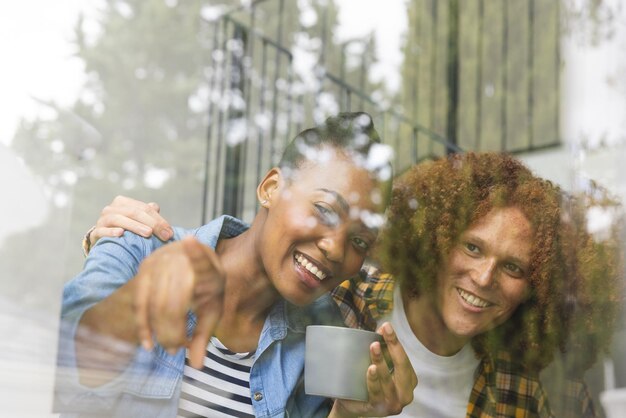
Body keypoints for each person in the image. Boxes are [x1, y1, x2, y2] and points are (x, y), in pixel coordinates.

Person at [89, 152, 624, 417]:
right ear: (436, 239)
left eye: (514, 268)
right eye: (472, 247)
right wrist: (121, 242)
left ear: (538, 288)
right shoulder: (333, 301)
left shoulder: (540, 393)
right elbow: (252, 254)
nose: (483, 278)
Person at [55, 112, 417, 418]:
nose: (335, 249)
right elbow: (62, 374)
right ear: (270, 188)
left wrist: (351, 416)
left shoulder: (319, 335)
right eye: (323, 210)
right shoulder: (138, 246)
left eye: (359, 241)